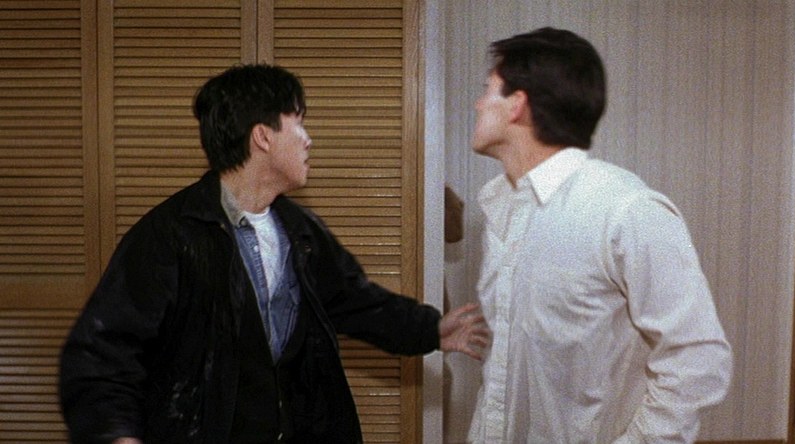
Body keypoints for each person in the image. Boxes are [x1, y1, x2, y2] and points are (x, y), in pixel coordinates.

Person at [59, 64, 489, 444]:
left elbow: (354, 300)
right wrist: (114, 434)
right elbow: (101, 351)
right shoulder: (169, 235)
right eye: (298, 123)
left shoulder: (299, 230)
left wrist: (431, 330)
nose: (308, 140)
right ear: (262, 136)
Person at [466, 27, 732, 443]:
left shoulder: (626, 210)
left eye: (488, 90)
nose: (478, 104)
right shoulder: (501, 204)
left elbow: (696, 359)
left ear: (518, 105)